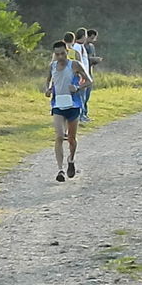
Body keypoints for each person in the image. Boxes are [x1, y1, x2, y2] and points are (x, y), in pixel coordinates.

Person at [45, 41, 93, 182]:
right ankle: (60, 170)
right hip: (58, 105)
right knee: (59, 136)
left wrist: (78, 87)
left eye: (62, 53)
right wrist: (47, 89)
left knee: (71, 139)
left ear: (67, 51)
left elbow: (89, 81)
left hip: (73, 105)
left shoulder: (75, 65)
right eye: (57, 54)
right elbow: (48, 81)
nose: (60, 56)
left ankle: (71, 159)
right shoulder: (52, 66)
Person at [83, 29, 103, 121]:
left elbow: (91, 59)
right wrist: (92, 59)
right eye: (91, 38)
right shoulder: (81, 47)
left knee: (87, 95)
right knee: (82, 95)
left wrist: (96, 60)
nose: (93, 40)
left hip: (89, 72)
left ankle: (85, 114)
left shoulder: (91, 47)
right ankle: (81, 115)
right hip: (83, 73)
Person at [74, 28, 91, 122]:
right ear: (83, 36)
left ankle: (83, 114)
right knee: (81, 96)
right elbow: (78, 62)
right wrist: (82, 75)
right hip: (82, 75)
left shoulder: (81, 46)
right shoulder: (77, 47)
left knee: (84, 96)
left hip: (84, 74)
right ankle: (80, 115)